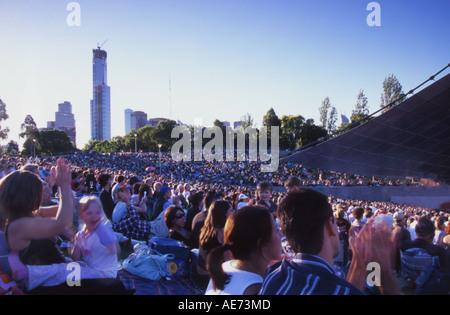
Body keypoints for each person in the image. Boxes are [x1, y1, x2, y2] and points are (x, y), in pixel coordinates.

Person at [260, 189, 400, 295]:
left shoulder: (272, 275)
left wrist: (359, 263)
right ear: (330, 226)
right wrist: (385, 271)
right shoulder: (338, 290)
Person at [206, 206, 281, 295]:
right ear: (263, 244)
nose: (281, 234)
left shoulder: (224, 268)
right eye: (276, 231)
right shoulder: (257, 290)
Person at [198, 201, 233, 277]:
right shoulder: (223, 231)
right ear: (223, 213)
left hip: (200, 272)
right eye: (231, 210)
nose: (233, 213)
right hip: (211, 277)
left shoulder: (206, 229)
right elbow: (228, 261)